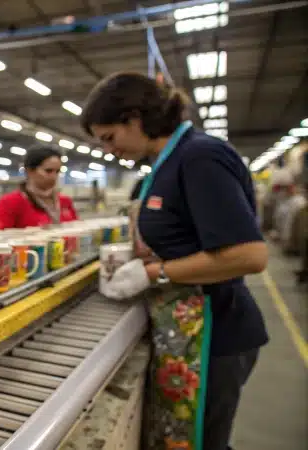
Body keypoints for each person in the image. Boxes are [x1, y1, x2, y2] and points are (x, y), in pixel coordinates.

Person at [83, 72, 268, 450]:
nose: (109, 150)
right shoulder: (166, 163)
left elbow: (249, 255)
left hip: (217, 331)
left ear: (134, 119)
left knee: (201, 442)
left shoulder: (200, 156)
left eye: (110, 138)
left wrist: (154, 273)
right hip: (190, 330)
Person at [0, 146, 79, 230]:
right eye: (48, 171)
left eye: (57, 171)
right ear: (29, 171)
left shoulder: (65, 201)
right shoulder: (11, 202)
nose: (54, 176)